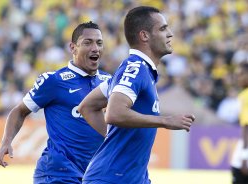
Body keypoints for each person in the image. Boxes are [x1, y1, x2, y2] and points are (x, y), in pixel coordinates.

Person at [78, 6, 195, 184]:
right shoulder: (135, 68)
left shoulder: (138, 71)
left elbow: (87, 106)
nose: (170, 34)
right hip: (111, 179)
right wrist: (165, 121)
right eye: (163, 28)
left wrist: (113, 141)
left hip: (132, 178)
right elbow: (114, 113)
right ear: (144, 36)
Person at [0, 21, 111, 184]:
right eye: (87, 42)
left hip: (95, 175)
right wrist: (6, 142)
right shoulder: (54, 81)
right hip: (58, 174)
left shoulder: (109, 82)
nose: (95, 48)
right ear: (72, 48)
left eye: (99, 43)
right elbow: (20, 111)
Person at [231, 62, 248, 184]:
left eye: (241, 74)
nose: (238, 77)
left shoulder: (245, 96)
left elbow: (246, 126)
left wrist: (244, 156)